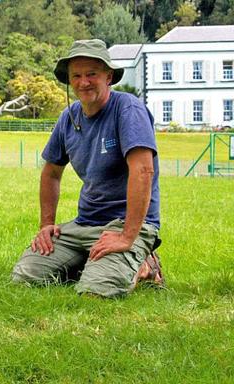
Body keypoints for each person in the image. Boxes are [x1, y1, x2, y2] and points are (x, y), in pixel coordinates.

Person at [11, 39, 164, 297]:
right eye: (77, 76)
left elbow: (143, 171)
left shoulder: (127, 109)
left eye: (92, 74)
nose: (84, 82)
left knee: (96, 291)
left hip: (125, 224)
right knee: (24, 278)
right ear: (70, 81)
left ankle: (145, 263)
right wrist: (46, 225)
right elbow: (51, 172)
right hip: (83, 224)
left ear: (109, 76)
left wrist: (127, 237)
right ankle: (94, 261)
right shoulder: (69, 117)